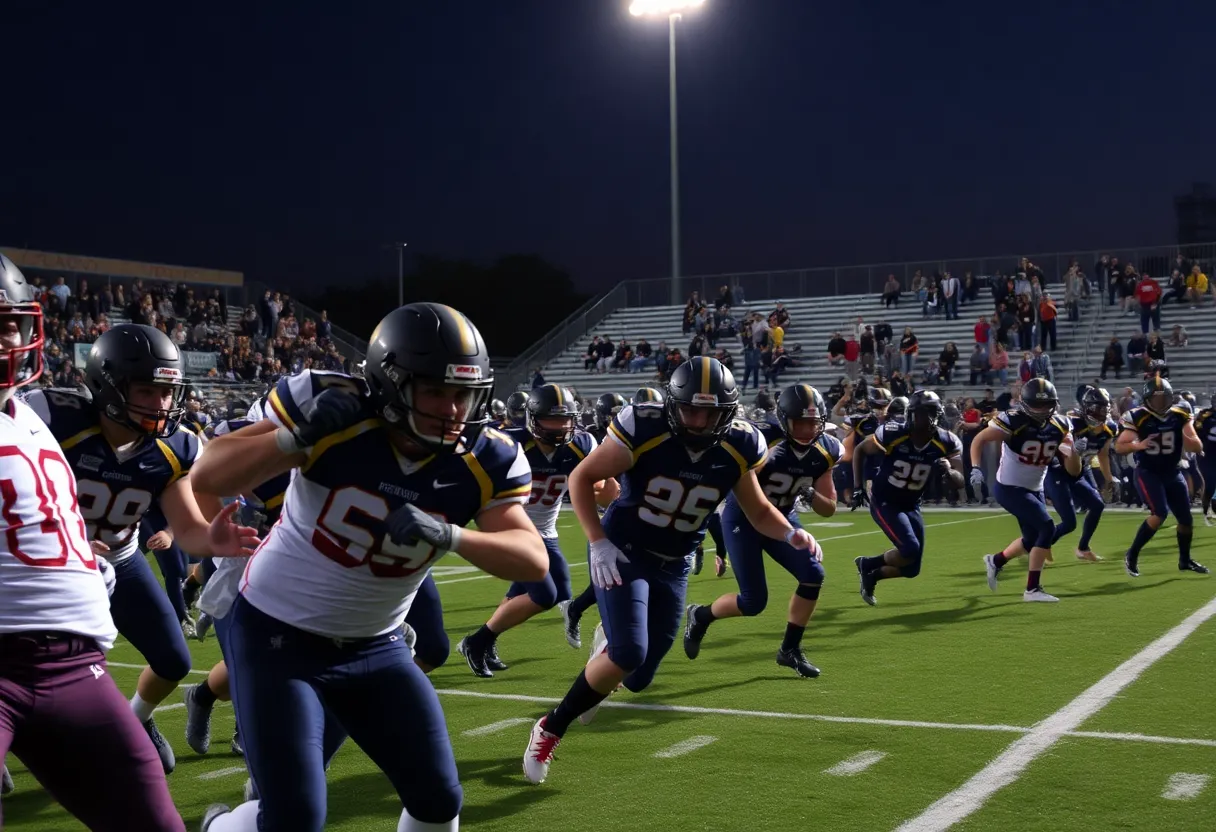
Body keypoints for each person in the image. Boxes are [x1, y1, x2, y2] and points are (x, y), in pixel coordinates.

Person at [192, 302, 549, 832]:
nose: (452, 410)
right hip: (278, 637)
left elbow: (533, 558)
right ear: (390, 383)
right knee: (294, 818)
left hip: (376, 644)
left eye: (463, 394)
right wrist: (293, 439)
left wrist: (453, 535)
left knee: (438, 799)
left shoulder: (482, 456)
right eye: (434, 391)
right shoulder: (333, 409)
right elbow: (208, 473)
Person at [521, 357, 816, 784]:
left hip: (675, 563)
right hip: (624, 550)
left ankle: (609, 646)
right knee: (629, 653)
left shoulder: (740, 443)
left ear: (728, 412)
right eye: (690, 410)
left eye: (709, 412)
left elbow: (758, 509)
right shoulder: (644, 426)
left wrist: (792, 535)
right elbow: (582, 478)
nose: (698, 421)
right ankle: (550, 727)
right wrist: (597, 541)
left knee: (638, 678)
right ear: (672, 405)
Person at [0, 254, 186, 831]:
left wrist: (80, 564)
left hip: (73, 664)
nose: (10, 337)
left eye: (11, 322)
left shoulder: (24, 417)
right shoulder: (52, 416)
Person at [25, 324, 260, 774]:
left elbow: (188, 526)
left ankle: (136, 720)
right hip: (45, 566)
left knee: (173, 660)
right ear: (108, 386)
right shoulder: (53, 421)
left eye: (168, 392)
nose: (162, 404)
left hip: (120, 558)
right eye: (148, 391)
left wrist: (212, 540)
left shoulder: (175, 447)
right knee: (33, 667)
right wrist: (62, 537)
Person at [458, 384, 618, 676]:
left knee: (557, 592)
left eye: (566, 419)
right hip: (512, 530)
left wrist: (612, 477)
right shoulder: (510, 443)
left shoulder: (581, 444)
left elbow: (601, 491)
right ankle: (476, 641)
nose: (560, 427)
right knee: (545, 594)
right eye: (552, 419)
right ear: (533, 418)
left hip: (546, 532)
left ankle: (486, 639)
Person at [682, 384, 838, 677]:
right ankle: (700, 615)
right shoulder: (761, 439)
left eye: (812, 422)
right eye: (799, 422)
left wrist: (810, 495)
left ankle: (789, 650)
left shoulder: (827, 450)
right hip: (742, 518)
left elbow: (829, 507)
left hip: (785, 517)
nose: (806, 429)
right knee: (754, 601)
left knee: (813, 575)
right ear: (783, 419)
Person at [850, 391, 964, 605]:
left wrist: (948, 471)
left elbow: (960, 482)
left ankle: (870, 571)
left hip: (911, 504)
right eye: (918, 413)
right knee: (909, 549)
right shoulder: (894, 433)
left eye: (927, 413)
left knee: (911, 569)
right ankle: (868, 564)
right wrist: (858, 487)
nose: (922, 419)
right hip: (885, 501)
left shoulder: (945, 441)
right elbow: (860, 450)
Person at [973, 379, 1078, 602]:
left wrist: (1074, 451)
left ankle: (996, 561)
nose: (1042, 410)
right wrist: (974, 467)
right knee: (1047, 527)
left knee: (1031, 539)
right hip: (1009, 487)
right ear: (1025, 403)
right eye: (1037, 405)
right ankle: (1032, 589)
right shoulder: (1013, 421)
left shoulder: (1060, 425)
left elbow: (1073, 471)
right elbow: (979, 439)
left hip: (1035, 488)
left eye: (1046, 404)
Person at [1114, 377, 1208, 578]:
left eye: (1163, 398)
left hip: (1172, 471)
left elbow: (1196, 445)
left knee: (1186, 519)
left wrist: (1188, 439)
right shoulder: (1137, 416)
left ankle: (1185, 560)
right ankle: (1132, 554)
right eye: (1155, 399)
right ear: (1147, 399)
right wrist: (1137, 446)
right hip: (1148, 471)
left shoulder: (1180, 414)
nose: (1160, 403)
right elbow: (1120, 446)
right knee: (1159, 513)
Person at [560, 393, 628, 648]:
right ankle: (609, 645)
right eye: (612, 413)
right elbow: (587, 483)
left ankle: (576, 609)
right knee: (614, 580)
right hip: (607, 513)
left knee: (617, 578)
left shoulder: (631, 433)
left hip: (629, 508)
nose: (617, 418)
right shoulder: (591, 439)